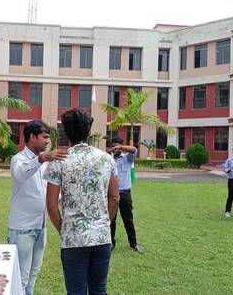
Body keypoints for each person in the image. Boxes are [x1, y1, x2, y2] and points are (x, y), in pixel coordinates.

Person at [44, 109, 119, 295]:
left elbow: (51, 205)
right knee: (99, 290)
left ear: (66, 132)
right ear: (89, 131)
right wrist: (104, 224)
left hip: (73, 237)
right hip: (101, 237)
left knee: (76, 291)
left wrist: (64, 229)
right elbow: (115, 198)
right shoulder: (107, 159)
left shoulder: (59, 160)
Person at [8, 120, 67, 295]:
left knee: (33, 274)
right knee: (21, 276)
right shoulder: (18, 159)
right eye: (45, 137)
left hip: (41, 226)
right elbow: (20, 175)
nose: (47, 141)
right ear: (32, 137)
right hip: (22, 228)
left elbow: (49, 192)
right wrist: (42, 158)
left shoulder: (45, 163)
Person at [107, 137, 143, 253]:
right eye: (114, 147)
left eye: (118, 147)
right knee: (111, 220)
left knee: (128, 220)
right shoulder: (108, 159)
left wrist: (121, 147)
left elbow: (134, 150)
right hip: (111, 195)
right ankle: (111, 242)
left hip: (125, 194)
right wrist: (109, 151)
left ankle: (134, 244)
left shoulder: (127, 158)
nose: (116, 150)